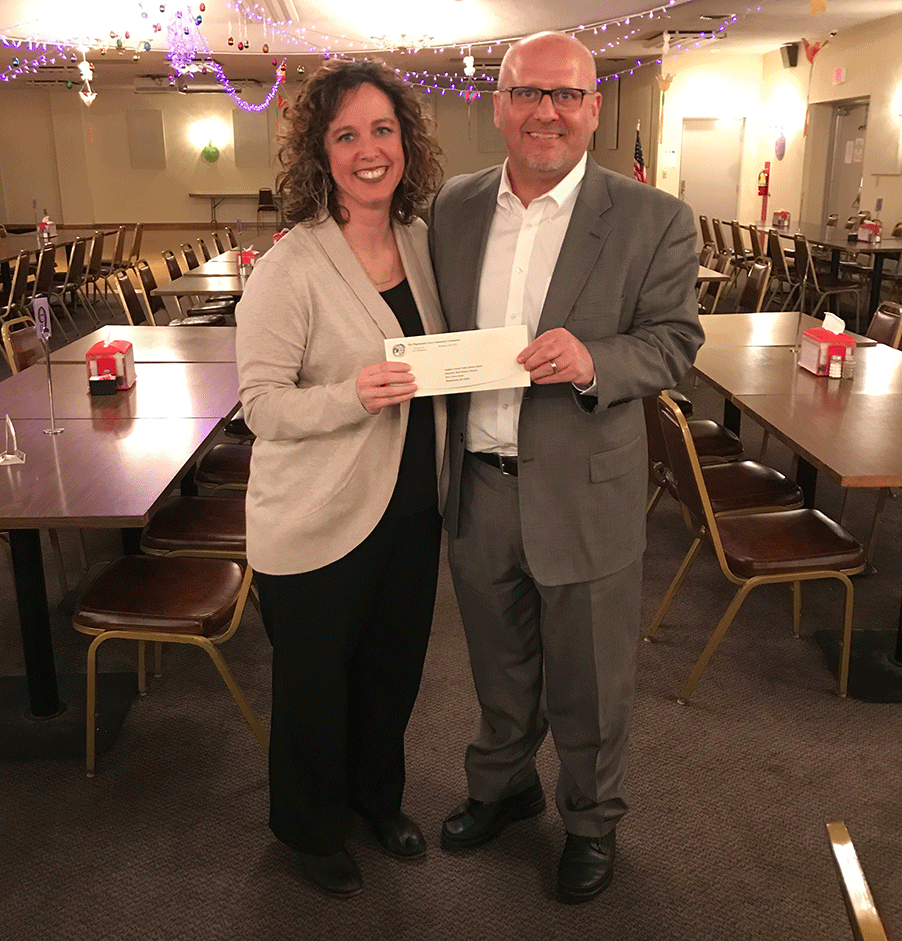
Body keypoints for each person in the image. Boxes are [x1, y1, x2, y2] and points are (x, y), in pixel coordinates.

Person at [428, 32, 704, 903]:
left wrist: (593, 361)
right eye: (526, 93)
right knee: (497, 663)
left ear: (593, 106)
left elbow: (674, 342)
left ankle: (590, 821)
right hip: (476, 484)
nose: (544, 111)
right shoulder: (451, 207)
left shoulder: (653, 218)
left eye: (565, 94)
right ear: (498, 104)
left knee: (590, 679)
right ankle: (504, 784)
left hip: (586, 492)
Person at [236, 59, 447, 898]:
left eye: (382, 129)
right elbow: (260, 405)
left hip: (412, 504)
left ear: (406, 142)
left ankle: (375, 799)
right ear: (320, 154)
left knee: (391, 673)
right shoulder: (289, 266)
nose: (369, 150)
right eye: (346, 134)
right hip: (317, 512)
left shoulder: (425, 245)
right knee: (314, 686)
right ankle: (311, 826)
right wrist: (349, 395)